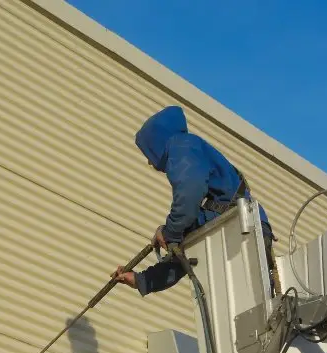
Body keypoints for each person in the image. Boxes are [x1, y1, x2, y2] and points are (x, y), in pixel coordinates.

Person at [113, 105, 276, 297]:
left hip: (242, 229)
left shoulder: (182, 146)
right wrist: (142, 280)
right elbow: (185, 253)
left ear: (156, 143)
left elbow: (190, 191)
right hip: (238, 230)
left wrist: (169, 230)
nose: (150, 162)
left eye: (149, 154)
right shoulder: (207, 211)